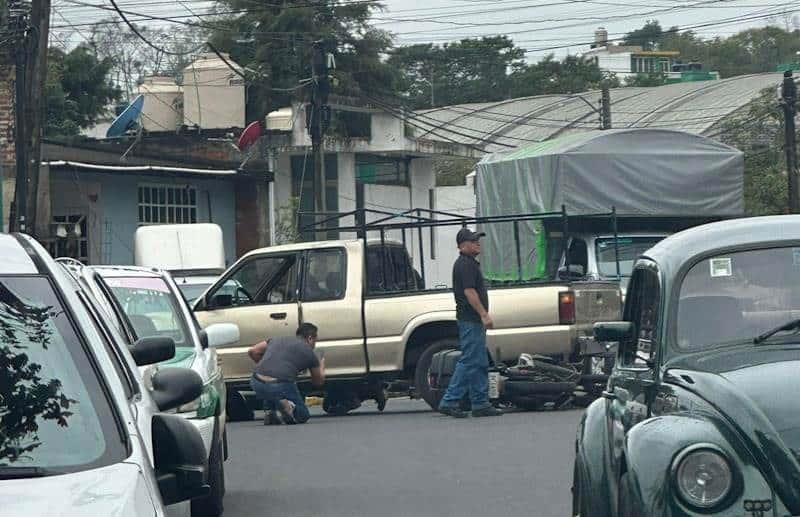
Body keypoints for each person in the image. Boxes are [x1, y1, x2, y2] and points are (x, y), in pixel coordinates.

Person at [437, 228, 503, 418]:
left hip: (472, 320)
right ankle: (450, 401)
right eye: (473, 241)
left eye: (477, 240)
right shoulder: (465, 265)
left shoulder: (470, 264)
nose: (477, 243)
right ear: (462, 245)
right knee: (469, 361)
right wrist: (483, 314)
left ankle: (480, 403)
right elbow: (469, 292)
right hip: (470, 319)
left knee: (478, 361)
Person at [248, 323, 325, 425]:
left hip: (256, 381)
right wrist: (321, 363)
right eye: (315, 341)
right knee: (303, 415)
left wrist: (265, 366)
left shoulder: (277, 339)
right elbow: (318, 382)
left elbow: (253, 351)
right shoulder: (310, 354)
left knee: (272, 390)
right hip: (279, 384)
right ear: (310, 338)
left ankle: (270, 412)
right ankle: (288, 406)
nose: (315, 345)